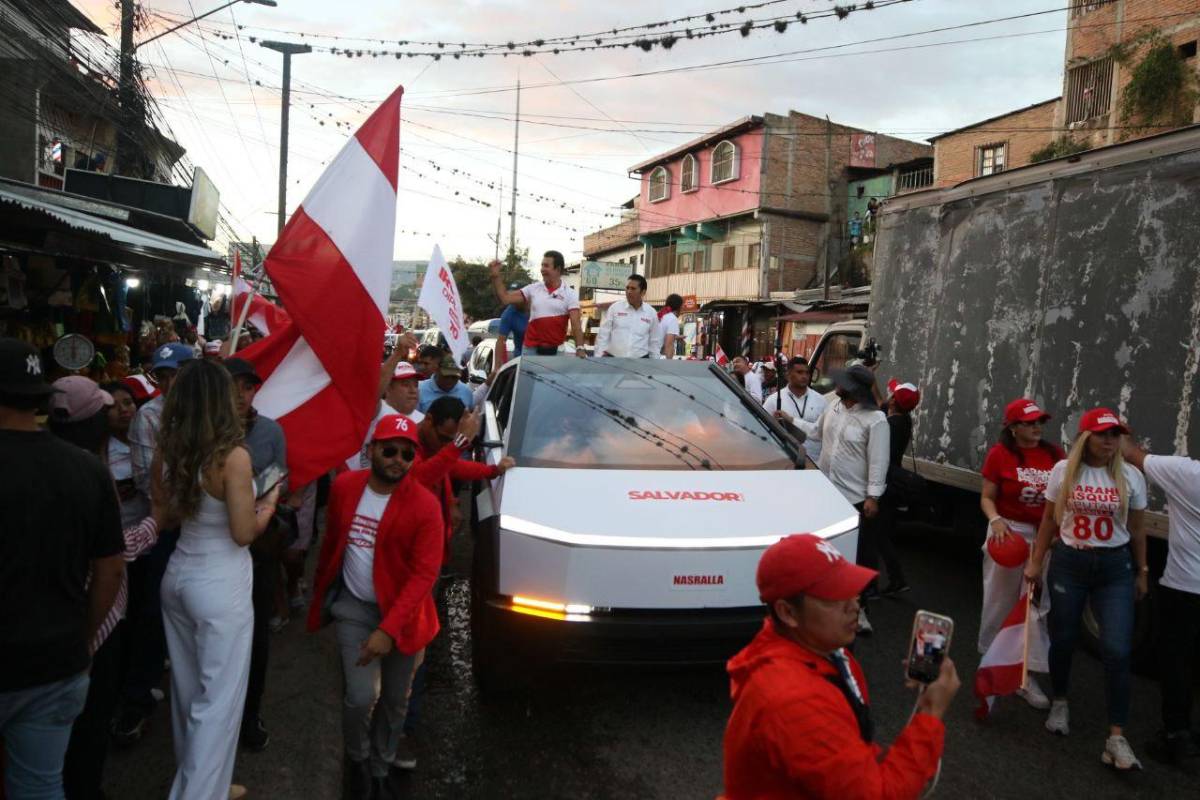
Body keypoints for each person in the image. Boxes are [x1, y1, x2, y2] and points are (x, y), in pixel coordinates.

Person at [722, 534, 957, 799]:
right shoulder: (794, 699)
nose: (854, 604)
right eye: (833, 597)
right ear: (788, 613)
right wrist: (930, 712)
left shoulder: (824, 649)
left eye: (852, 589)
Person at [0, 339, 124, 799]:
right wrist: (84, 638)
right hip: (57, 662)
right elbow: (110, 570)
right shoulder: (87, 470)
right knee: (40, 785)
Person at [156, 359, 280, 799]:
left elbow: (164, 515)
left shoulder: (169, 447)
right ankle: (197, 793)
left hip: (177, 579)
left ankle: (206, 782)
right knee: (219, 703)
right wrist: (268, 503)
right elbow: (243, 533)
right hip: (219, 585)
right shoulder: (234, 457)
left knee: (188, 694)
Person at [306, 414, 443, 799]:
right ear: (371, 451)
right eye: (389, 449)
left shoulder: (424, 505)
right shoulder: (346, 488)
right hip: (354, 608)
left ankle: (381, 768)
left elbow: (424, 575)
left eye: (406, 453)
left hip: (405, 618)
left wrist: (388, 629)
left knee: (396, 701)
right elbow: (333, 542)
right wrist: (324, 595)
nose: (397, 459)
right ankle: (358, 758)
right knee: (361, 696)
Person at [47, 377, 162, 800]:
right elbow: (113, 560)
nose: (117, 411)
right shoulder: (88, 474)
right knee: (85, 723)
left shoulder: (46, 465)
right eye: (105, 408)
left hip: (55, 615)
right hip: (93, 620)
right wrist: (158, 521)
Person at [1025, 407, 1147, 771]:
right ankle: (1060, 700)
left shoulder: (1131, 476)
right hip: (1069, 562)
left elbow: (1138, 530)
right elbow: (1049, 518)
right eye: (1102, 434)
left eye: (1116, 435)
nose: (1110, 441)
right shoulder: (1064, 471)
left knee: (1117, 648)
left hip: (1114, 567)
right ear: (1085, 437)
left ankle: (1116, 736)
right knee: (1063, 638)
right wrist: (1036, 561)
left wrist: (1142, 571)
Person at [114, 341, 194, 746]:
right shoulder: (148, 416)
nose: (169, 383)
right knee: (152, 610)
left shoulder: (208, 411)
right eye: (162, 376)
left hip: (205, 529)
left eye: (175, 374)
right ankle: (136, 700)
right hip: (167, 528)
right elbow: (151, 484)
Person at [978, 398, 1063, 710]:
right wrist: (996, 520)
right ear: (1013, 428)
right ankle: (990, 664)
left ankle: (1025, 675)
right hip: (1007, 533)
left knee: (1035, 606)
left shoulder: (1056, 456)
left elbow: (1061, 502)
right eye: (1028, 423)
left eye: (1039, 421)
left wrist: (1054, 536)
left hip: (1043, 537)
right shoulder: (1000, 455)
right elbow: (987, 497)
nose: (1036, 427)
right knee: (999, 600)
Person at [1121, 438, 1200, 766]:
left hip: (1185, 588)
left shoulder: (1186, 473)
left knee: (1177, 661)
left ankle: (1176, 736)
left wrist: (1123, 434)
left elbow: (1132, 454)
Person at [224, 357, 287, 753]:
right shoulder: (204, 434)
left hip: (257, 550)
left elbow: (280, 476)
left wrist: (248, 494)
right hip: (213, 552)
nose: (242, 395)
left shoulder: (270, 431)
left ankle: (249, 713)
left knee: (255, 638)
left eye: (248, 387)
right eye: (234, 386)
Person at [806, 365, 889, 634]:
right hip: (826, 494)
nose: (837, 386)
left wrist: (873, 496)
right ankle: (824, 603)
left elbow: (879, 461)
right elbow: (815, 432)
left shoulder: (875, 419)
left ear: (856, 389)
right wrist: (786, 420)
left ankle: (860, 610)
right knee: (825, 551)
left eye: (844, 384)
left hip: (856, 500)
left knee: (859, 558)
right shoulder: (834, 409)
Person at [411, 398, 515, 552]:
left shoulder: (432, 444)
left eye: (450, 441)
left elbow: (453, 466)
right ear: (428, 419)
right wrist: (457, 446)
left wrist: (493, 470)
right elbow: (418, 477)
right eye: (443, 438)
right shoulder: (404, 442)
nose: (445, 446)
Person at [488, 252, 585, 357]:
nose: (542, 269)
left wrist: (580, 347)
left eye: (546, 266)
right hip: (531, 350)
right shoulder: (533, 288)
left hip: (556, 351)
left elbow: (576, 325)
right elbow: (506, 298)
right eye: (542, 265)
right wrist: (496, 276)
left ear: (558, 269)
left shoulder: (570, 294)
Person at [874, 379, 921, 597]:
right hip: (893, 484)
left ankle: (892, 580)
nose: (889, 396)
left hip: (885, 485)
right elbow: (881, 401)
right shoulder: (903, 419)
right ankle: (895, 579)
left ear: (894, 401)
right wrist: (871, 375)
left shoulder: (890, 425)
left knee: (879, 536)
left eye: (892, 394)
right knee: (883, 534)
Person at [102, 380, 149, 529]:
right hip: (126, 537)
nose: (123, 410)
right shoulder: (103, 453)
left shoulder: (152, 440)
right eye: (113, 407)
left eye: (128, 403)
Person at [763, 356, 826, 462]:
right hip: (784, 461)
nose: (804, 376)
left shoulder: (821, 401)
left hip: (814, 463)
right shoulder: (773, 400)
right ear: (788, 375)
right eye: (799, 372)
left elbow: (823, 432)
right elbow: (762, 429)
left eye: (807, 373)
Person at [593, 274, 663, 358]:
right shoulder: (615, 308)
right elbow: (603, 335)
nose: (629, 291)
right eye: (627, 288)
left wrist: (654, 363)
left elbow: (655, 342)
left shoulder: (651, 313)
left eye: (633, 289)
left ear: (643, 292)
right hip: (614, 361)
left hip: (640, 363)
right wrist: (598, 358)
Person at [496, 286, 528, 365]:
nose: (513, 300)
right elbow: (501, 340)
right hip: (522, 358)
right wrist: (497, 366)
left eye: (516, 296)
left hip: (546, 355)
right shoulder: (508, 315)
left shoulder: (539, 305)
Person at [659, 293, 683, 358]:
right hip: (658, 356)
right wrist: (669, 364)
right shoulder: (672, 319)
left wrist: (677, 337)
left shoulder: (663, 316)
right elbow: (669, 345)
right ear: (679, 307)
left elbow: (662, 335)